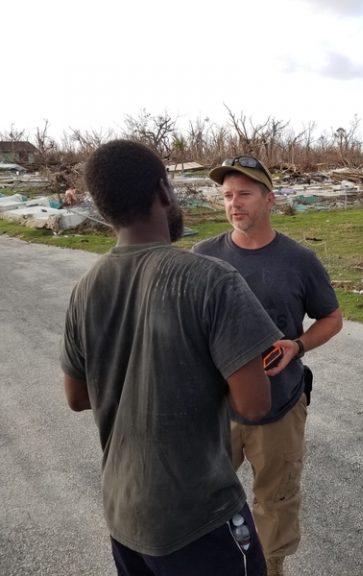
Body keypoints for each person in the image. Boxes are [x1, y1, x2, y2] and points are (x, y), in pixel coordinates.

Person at [60, 140, 283, 576]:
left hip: (125, 517)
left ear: (105, 210)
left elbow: (76, 396)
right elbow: (254, 404)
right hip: (197, 520)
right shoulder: (211, 279)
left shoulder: (86, 287)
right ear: (164, 192)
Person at [193, 156, 343, 576]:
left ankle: (269, 568)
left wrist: (297, 345)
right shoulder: (203, 257)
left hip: (280, 406)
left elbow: (332, 319)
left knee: (275, 501)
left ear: (270, 199)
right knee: (202, 495)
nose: (233, 204)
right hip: (215, 408)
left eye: (244, 194)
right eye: (226, 195)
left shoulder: (299, 260)